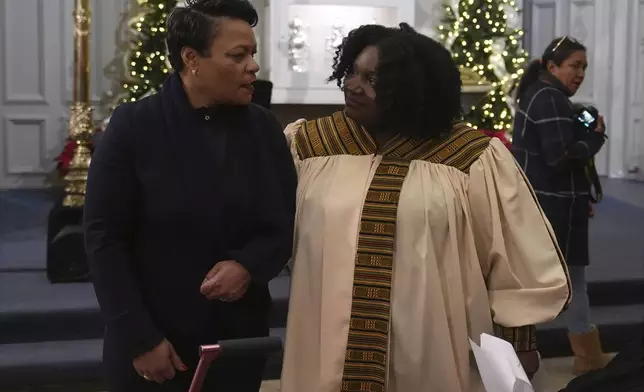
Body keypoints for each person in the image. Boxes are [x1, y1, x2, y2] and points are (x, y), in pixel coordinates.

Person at [280, 24, 571, 392]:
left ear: (409, 89)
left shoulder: (469, 156)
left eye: (372, 79)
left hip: (429, 342)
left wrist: (521, 339)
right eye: (352, 71)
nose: (353, 85)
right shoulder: (310, 143)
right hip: (324, 340)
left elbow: (507, 254)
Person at [83, 0, 296, 391]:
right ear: (191, 59)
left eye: (252, 53)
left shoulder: (264, 130)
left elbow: (285, 224)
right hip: (155, 344)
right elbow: (104, 241)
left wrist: (248, 266)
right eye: (238, 55)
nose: (253, 65)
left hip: (237, 341)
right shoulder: (134, 127)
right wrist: (139, 337)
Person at [512, 36, 610, 375]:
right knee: (567, 283)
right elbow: (560, 157)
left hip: (548, 203)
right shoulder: (549, 98)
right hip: (552, 208)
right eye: (574, 65)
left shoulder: (542, 94)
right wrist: (594, 138)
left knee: (545, 283)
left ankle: (576, 357)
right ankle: (586, 358)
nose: (580, 73)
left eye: (584, 66)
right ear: (552, 67)